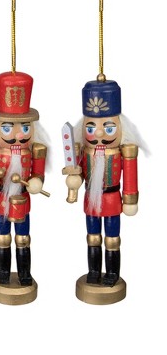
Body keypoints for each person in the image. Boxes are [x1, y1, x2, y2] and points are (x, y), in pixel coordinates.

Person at [63, 79, 146, 292]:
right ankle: (93, 271)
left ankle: (112, 273)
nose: (99, 133)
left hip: (112, 200)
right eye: (91, 128)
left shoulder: (123, 152)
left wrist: (130, 200)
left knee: (112, 239)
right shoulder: (84, 151)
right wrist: (74, 180)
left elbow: (130, 177)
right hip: (91, 199)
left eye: (108, 128)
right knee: (92, 237)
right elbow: (76, 173)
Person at [0, 71, 49, 290]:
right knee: (2, 238)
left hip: (23, 200)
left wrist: (37, 182)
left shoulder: (35, 150)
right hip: (2, 199)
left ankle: (25, 274)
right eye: (7, 128)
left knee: (23, 238)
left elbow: (38, 173)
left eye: (25, 127)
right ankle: (3, 275)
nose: (18, 135)